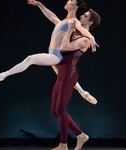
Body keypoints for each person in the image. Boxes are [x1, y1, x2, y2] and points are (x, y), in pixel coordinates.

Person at [0, 0, 97, 93]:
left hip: (56, 56)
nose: (68, 1)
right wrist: (39, 4)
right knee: (65, 77)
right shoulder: (64, 21)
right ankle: (82, 92)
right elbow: (53, 17)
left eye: (71, 1)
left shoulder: (74, 21)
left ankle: (4, 75)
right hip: (53, 55)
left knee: (30, 59)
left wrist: (91, 37)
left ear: (75, 6)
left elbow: (82, 29)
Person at [51, 9, 101, 150]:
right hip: (61, 73)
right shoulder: (78, 32)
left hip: (69, 74)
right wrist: (39, 5)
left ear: (90, 22)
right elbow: (55, 19)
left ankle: (63, 144)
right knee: (55, 111)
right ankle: (81, 135)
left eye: (85, 16)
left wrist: (70, 30)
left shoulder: (84, 39)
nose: (81, 16)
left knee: (61, 110)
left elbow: (64, 46)